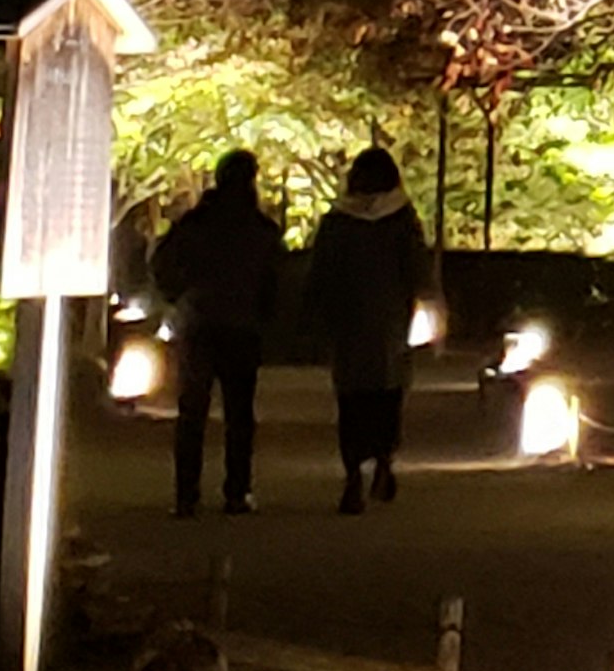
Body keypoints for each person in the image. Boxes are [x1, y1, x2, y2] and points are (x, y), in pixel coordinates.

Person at [149, 149, 287, 518]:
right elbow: (275, 279)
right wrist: (267, 315)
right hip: (241, 327)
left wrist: (179, 296)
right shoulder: (260, 229)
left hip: (199, 322)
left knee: (192, 411)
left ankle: (186, 495)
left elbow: (162, 263)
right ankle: (236, 491)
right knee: (239, 413)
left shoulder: (195, 224)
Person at [298, 143, 433, 515]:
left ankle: (353, 473)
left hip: (348, 323)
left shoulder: (337, 221)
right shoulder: (402, 218)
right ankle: (385, 461)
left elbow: (319, 273)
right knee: (388, 394)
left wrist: (314, 316)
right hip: (390, 322)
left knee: (351, 400)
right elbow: (418, 269)